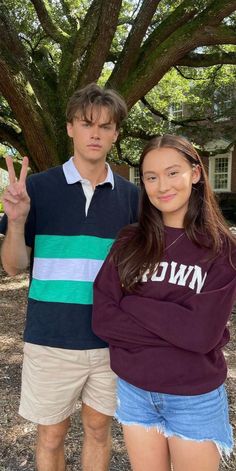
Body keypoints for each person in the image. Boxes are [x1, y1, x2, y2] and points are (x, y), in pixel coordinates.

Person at [0, 83, 139, 471]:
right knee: (51, 434)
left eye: (105, 126)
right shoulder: (37, 189)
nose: (95, 133)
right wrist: (16, 222)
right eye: (86, 123)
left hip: (111, 341)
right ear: (70, 128)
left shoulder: (132, 198)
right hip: (50, 337)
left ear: (115, 134)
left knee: (98, 429)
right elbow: (13, 266)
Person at [92, 134, 236, 471]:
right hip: (135, 391)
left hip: (194, 396)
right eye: (151, 177)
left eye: (173, 173)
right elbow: (102, 320)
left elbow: (201, 335)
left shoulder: (222, 249)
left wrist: (133, 304)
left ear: (195, 173)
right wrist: (177, 322)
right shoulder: (129, 241)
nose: (162, 186)